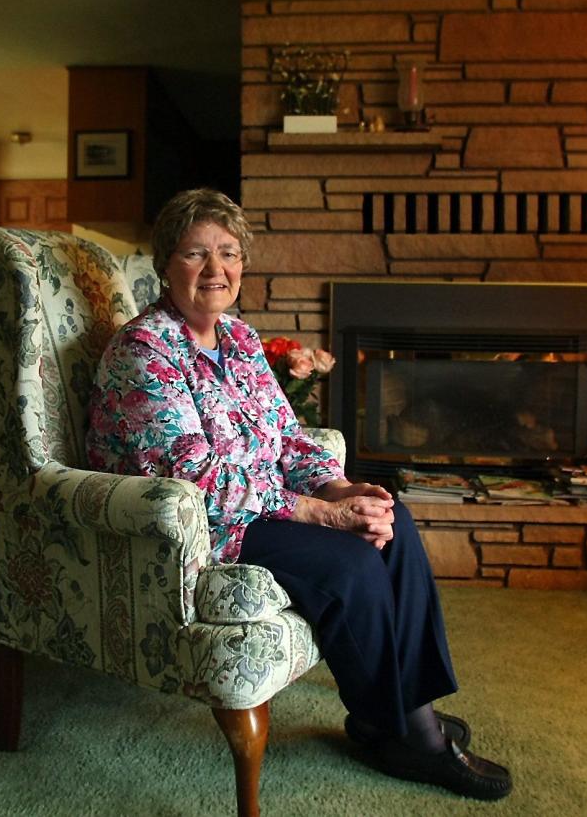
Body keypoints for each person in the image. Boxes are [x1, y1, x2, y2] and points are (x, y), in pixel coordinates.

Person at [86, 189, 511, 801]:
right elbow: (196, 482)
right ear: (165, 264)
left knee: (395, 522)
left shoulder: (238, 339)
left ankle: (389, 714)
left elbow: (286, 438)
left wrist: (343, 488)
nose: (215, 269)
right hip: (202, 524)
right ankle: (412, 737)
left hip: (260, 502)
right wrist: (323, 513)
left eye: (228, 253)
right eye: (196, 253)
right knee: (352, 560)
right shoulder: (143, 350)